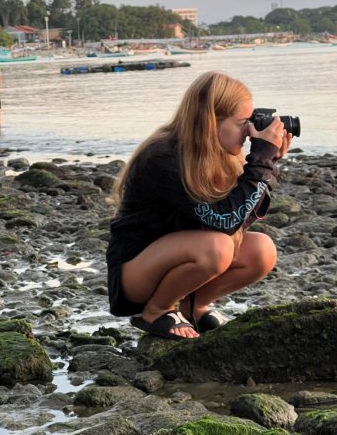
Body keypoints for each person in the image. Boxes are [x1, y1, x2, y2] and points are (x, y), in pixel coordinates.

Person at [106, 71, 293, 340]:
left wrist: (267, 163)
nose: (249, 131)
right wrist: (261, 163)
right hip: (136, 273)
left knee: (261, 250)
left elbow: (237, 223)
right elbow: (223, 221)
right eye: (242, 123)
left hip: (180, 260)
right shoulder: (164, 157)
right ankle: (157, 311)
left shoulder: (219, 155)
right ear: (210, 121)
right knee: (217, 247)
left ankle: (196, 307)